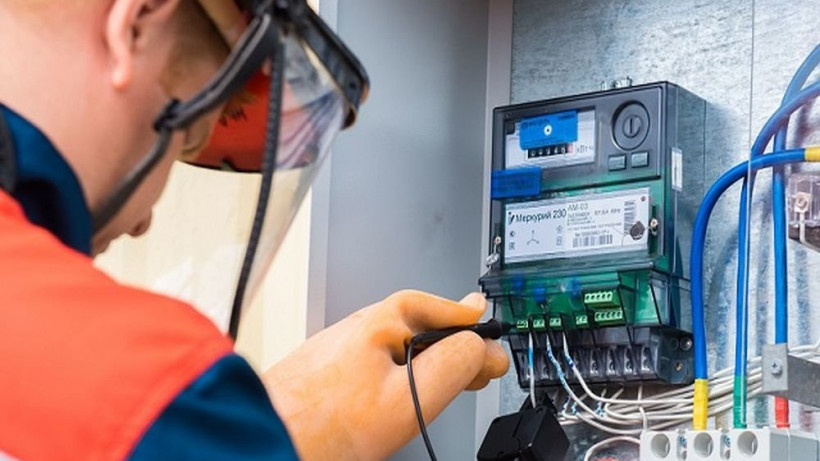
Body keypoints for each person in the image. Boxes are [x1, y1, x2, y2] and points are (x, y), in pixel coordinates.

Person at [0, 1, 509, 460]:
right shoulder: (154, 398)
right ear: (135, 23)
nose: (143, 221)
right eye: (184, 139)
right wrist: (227, 425)